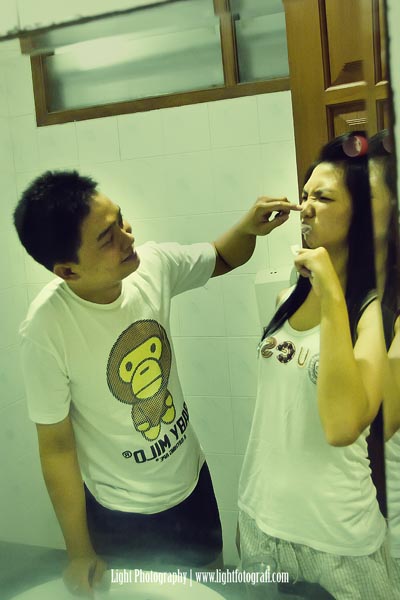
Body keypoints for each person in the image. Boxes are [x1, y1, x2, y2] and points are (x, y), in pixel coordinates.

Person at [13, 170, 301, 597]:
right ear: (68, 270)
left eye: (121, 221)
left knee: (210, 590)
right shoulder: (45, 330)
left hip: (191, 487)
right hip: (118, 515)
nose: (128, 239)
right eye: (107, 238)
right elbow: (56, 447)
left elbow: (222, 256)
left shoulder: (152, 266)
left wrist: (247, 227)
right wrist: (78, 551)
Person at [237, 132, 395, 599]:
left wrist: (331, 292)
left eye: (322, 197)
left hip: (337, 539)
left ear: (361, 217)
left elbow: (343, 425)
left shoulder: (376, 313)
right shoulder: (286, 297)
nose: (304, 207)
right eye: (304, 194)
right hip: (262, 520)